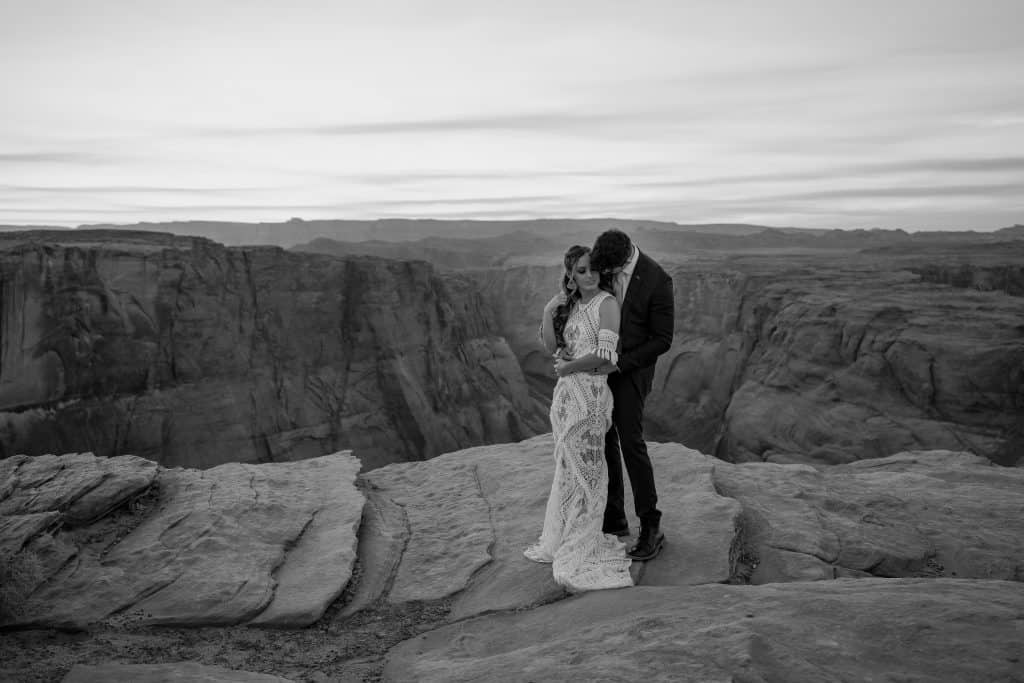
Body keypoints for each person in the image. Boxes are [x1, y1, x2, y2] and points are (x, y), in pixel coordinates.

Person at [524, 245, 633, 592]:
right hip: (566, 398)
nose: (588, 276)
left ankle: (585, 535)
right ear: (571, 274)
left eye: (593, 270)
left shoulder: (607, 304)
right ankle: (566, 530)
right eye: (581, 271)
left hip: (592, 397)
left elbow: (608, 356)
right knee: (568, 467)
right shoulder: (571, 305)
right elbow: (552, 346)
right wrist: (548, 310)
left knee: (590, 467)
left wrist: (570, 366)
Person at [589, 229, 674, 561]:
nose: (605, 276)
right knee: (604, 437)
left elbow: (662, 339)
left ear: (624, 259)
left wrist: (621, 365)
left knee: (630, 441)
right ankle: (615, 518)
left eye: (610, 271)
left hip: (633, 371)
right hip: (601, 366)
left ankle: (651, 526)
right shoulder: (606, 265)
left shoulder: (657, 280)